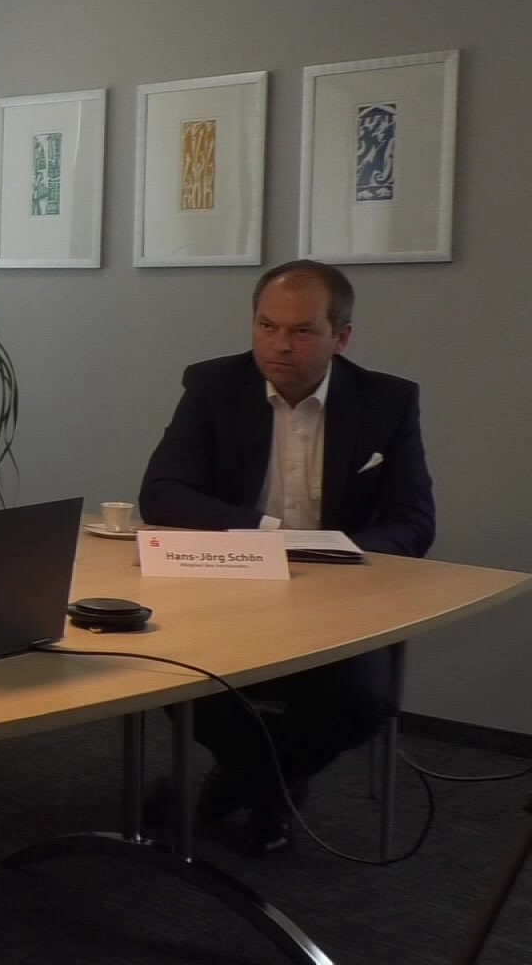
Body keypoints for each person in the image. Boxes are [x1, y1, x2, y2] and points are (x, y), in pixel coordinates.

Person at [139, 258, 434, 853]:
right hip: (230, 587)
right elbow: (162, 493)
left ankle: (236, 785)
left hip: (338, 598)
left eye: (301, 331)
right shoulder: (213, 386)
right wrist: (266, 533)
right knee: (173, 675)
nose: (279, 345)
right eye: (266, 326)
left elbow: (414, 522)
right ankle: (269, 789)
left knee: (362, 702)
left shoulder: (386, 401)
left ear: (340, 336)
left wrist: (339, 553)